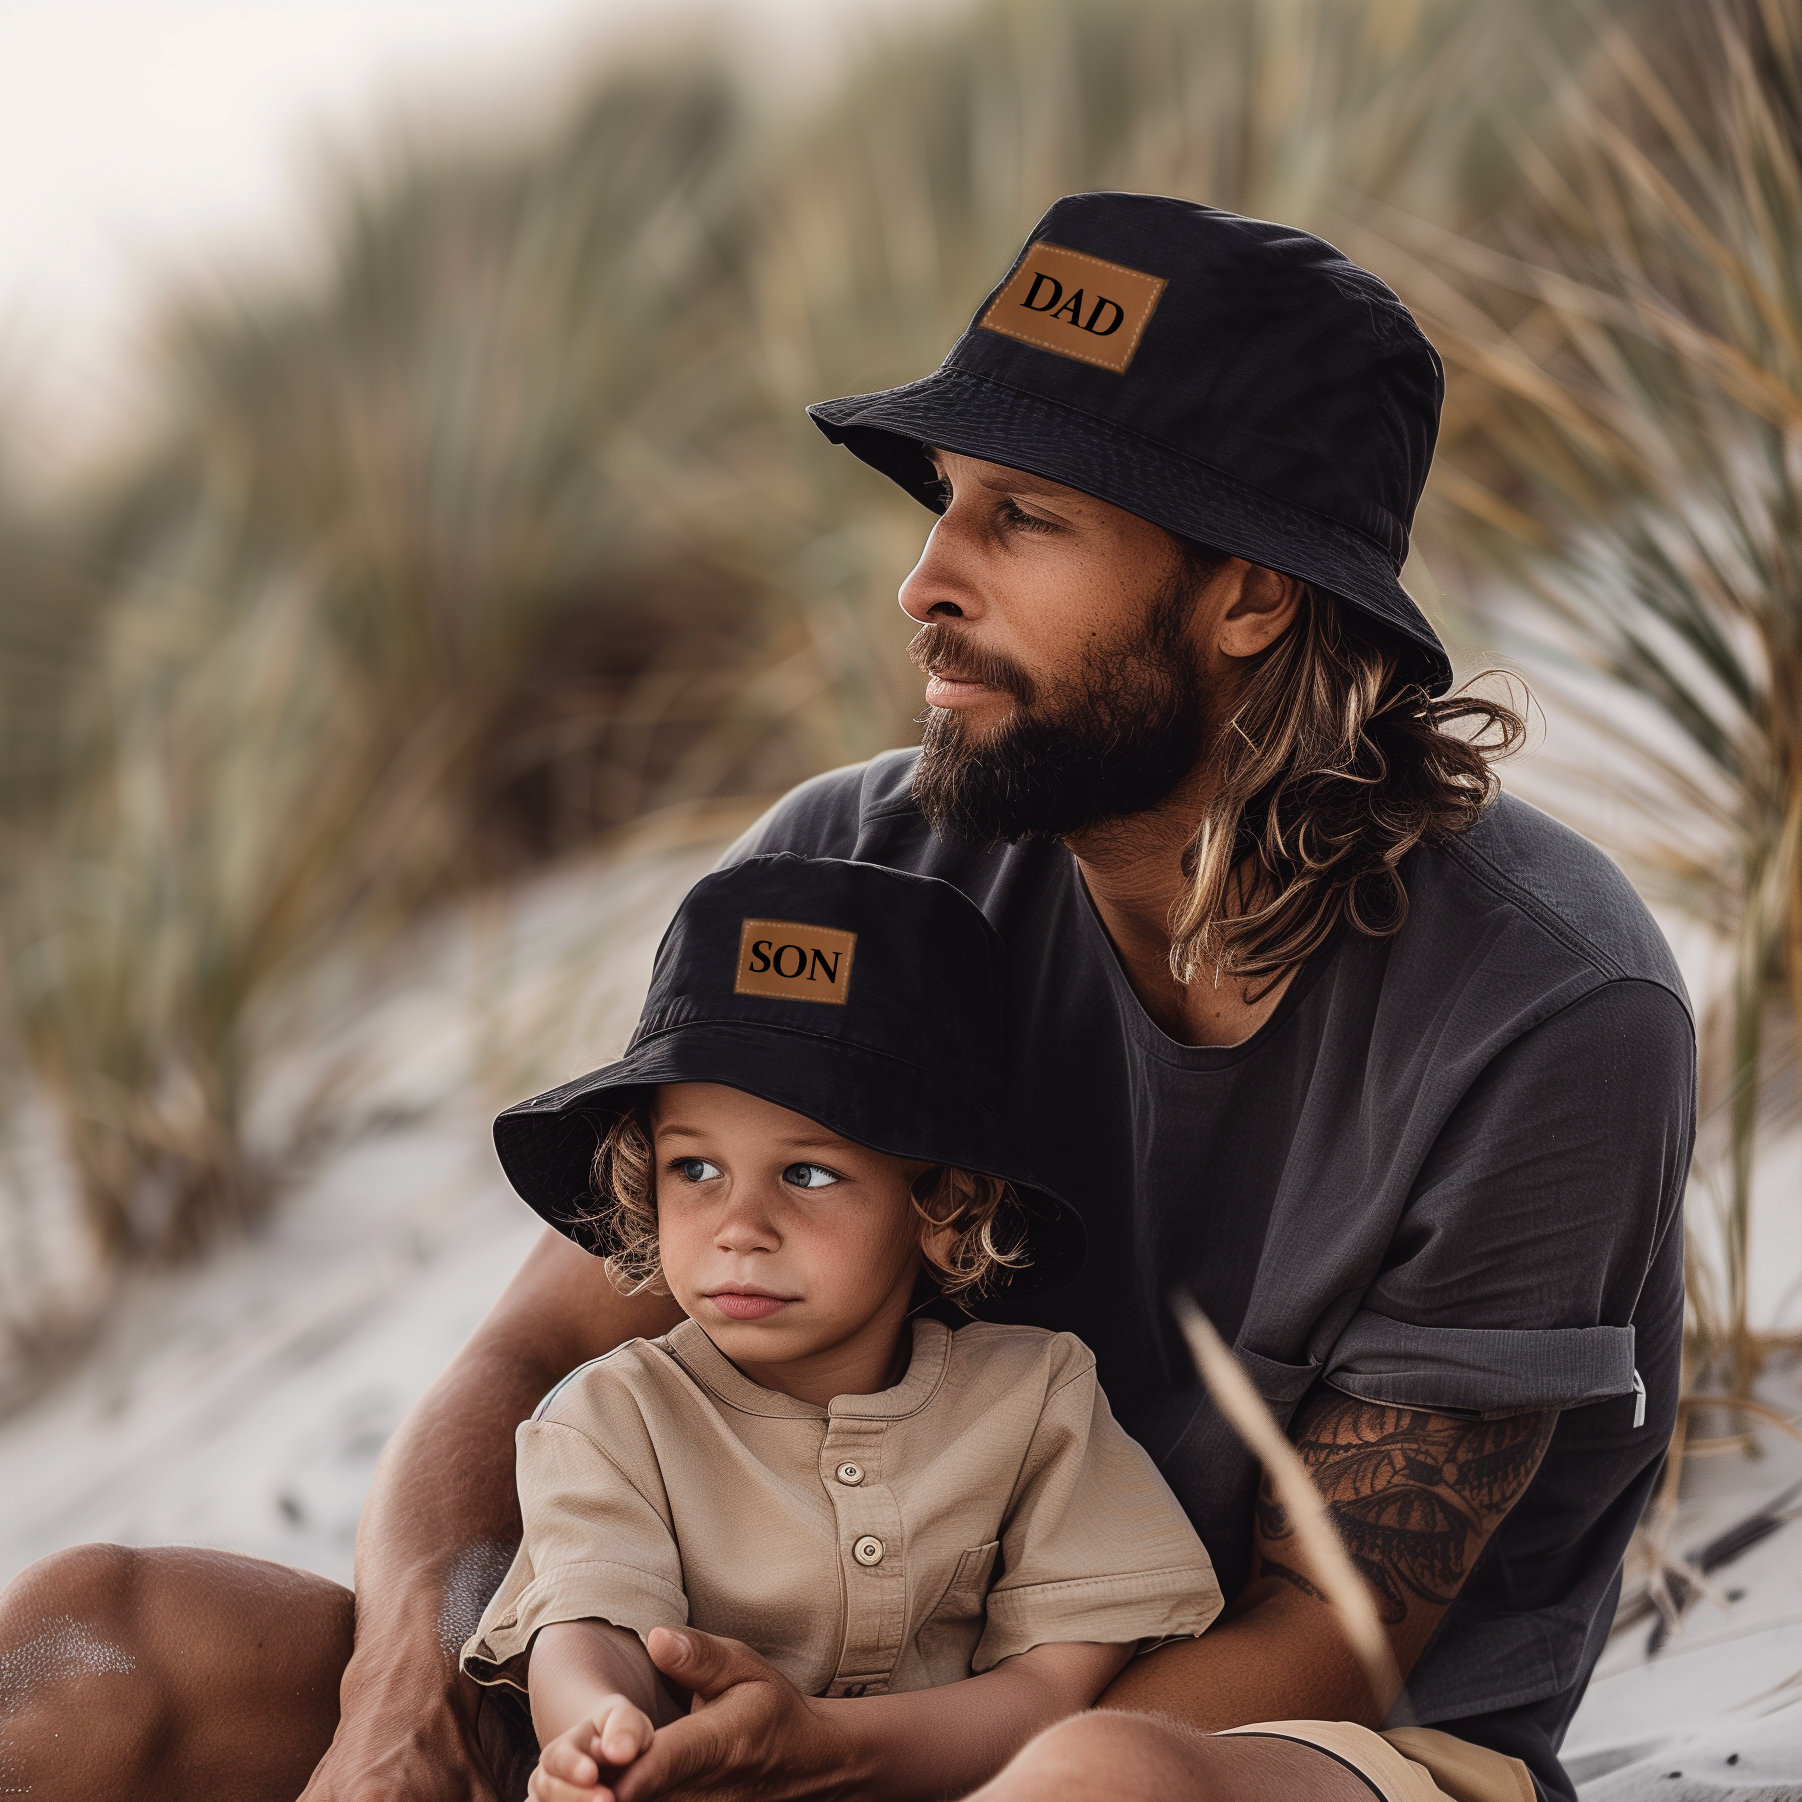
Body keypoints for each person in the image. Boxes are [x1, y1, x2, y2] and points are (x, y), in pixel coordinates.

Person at [0, 193, 1693, 1802]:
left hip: (1258, 1748)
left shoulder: (1545, 1012)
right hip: (753, 1698)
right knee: (100, 1643)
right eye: (943, 499)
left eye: (1024, 517)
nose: (926, 581)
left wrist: (848, 1767)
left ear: (1248, 592)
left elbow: (1326, 1639)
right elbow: (528, 1353)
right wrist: (406, 1701)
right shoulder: (851, 864)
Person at [465, 854, 1219, 1802]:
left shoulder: (1036, 1401)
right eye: (695, 1169)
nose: (740, 1227)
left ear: (945, 1204)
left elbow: (1055, 1688)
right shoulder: (615, 1418)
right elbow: (590, 1629)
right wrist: (604, 1739)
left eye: (808, 1174)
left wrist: (831, 1742)